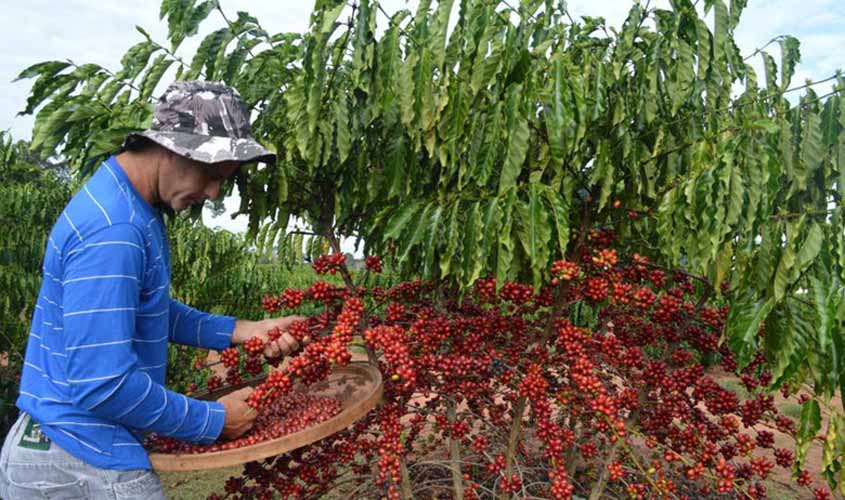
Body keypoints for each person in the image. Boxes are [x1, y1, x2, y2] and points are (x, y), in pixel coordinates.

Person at [0, 80, 301, 499]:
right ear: (171, 148)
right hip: (78, 457)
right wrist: (212, 420)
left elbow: (144, 306)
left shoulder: (127, 204)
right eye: (211, 174)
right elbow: (103, 384)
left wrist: (241, 330)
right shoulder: (116, 230)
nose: (213, 193)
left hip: (59, 439)